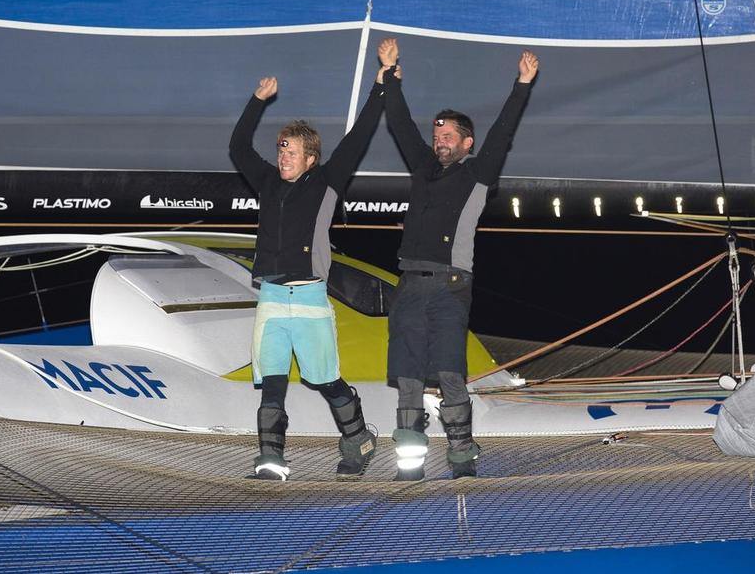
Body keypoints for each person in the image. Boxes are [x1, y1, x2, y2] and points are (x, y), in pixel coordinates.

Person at [228, 44, 396, 481]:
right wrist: (257, 101)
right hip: (269, 298)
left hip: (309, 300)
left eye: (290, 152)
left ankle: (359, 438)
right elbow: (237, 146)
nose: (282, 156)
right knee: (272, 384)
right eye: (280, 149)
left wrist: (380, 87)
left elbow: (357, 139)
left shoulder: (325, 183)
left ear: (310, 158)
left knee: (325, 381)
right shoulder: (266, 181)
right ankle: (270, 458)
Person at [380, 38, 539, 480]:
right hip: (410, 285)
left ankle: (462, 457)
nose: (440, 142)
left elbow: (504, 132)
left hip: (451, 287)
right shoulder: (423, 169)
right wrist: (391, 76)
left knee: (450, 373)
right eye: (437, 137)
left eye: (448, 137)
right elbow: (399, 124)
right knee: (408, 376)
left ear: (467, 142)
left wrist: (522, 84)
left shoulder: (478, 173)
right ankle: (409, 466)